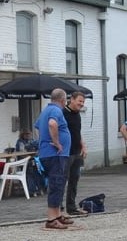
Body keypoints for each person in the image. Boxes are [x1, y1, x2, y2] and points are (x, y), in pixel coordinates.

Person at [36, 88, 72, 230]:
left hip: (48, 153)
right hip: (55, 154)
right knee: (56, 184)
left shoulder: (45, 110)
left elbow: (38, 126)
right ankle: (51, 219)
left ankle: (57, 215)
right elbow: (52, 124)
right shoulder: (56, 110)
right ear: (63, 100)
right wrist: (56, 142)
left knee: (59, 184)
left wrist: (44, 140)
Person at [63, 90, 89, 217]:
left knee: (74, 180)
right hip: (66, 153)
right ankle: (58, 209)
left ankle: (71, 207)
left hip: (76, 151)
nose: (81, 104)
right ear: (72, 99)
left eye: (83, 102)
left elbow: (77, 133)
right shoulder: (63, 113)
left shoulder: (77, 114)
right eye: (80, 101)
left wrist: (83, 146)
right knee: (62, 180)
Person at [14, 126, 45, 195]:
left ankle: (40, 188)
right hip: (24, 161)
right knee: (30, 170)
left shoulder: (32, 140)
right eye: (26, 134)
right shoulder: (20, 142)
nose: (28, 135)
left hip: (33, 160)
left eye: (29, 134)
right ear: (22, 135)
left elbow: (38, 149)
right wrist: (31, 155)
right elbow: (22, 153)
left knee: (39, 170)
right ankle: (32, 190)